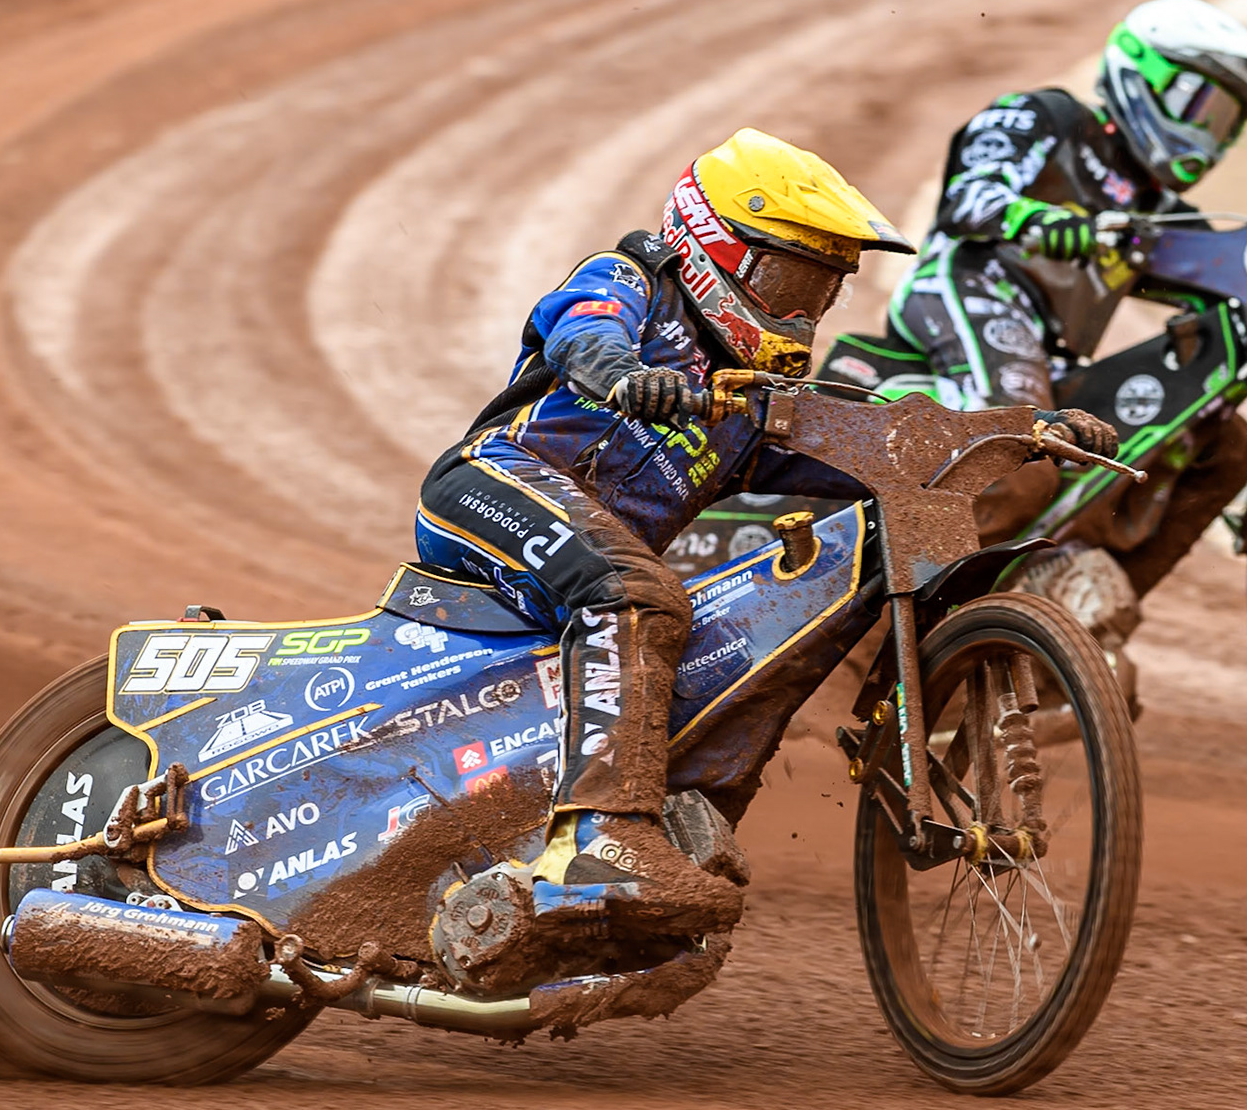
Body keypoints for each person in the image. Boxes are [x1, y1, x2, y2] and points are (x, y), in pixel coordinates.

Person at [416, 129, 1112, 940]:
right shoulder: (632, 278)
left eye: (820, 293)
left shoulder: (753, 405)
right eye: (786, 279)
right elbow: (583, 330)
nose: (800, 312)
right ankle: (599, 839)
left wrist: (1028, 427)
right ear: (715, 246)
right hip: (489, 488)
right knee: (641, 596)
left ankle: (681, 826)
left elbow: (892, 444)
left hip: (584, 556)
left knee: (748, 633)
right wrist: (623, 376)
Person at [842, 0, 1247, 677]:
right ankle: (868, 643)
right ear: (1143, 78)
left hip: (1051, 353)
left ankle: (1039, 639)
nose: (1213, 138)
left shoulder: (1160, 212)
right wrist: (1037, 220)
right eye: (1204, 109)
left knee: (1221, 447)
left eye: (1229, 124)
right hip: (971, 291)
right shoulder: (1045, 117)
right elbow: (969, 197)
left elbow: (1243, 279)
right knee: (1021, 450)